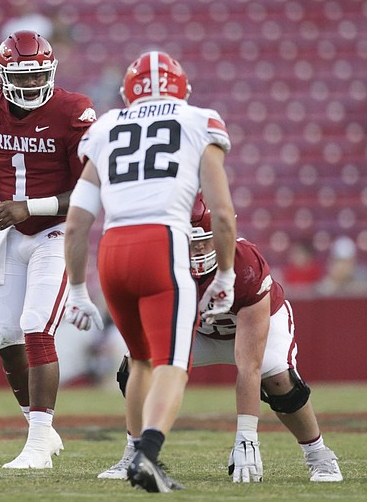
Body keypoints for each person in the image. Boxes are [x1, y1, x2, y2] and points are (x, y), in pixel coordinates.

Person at [62, 50, 237, 492]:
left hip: (113, 249)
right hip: (161, 242)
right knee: (172, 363)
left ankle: (133, 452)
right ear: (184, 90)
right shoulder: (199, 121)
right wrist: (226, 275)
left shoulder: (104, 127)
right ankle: (147, 456)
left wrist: (79, 291)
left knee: (139, 358)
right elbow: (222, 215)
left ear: (127, 92)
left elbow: (77, 223)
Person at [100, 195, 343, 483]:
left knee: (278, 379)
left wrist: (247, 436)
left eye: (205, 239)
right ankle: (135, 452)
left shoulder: (246, 264)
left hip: (256, 326)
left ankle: (319, 454)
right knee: (138, 364)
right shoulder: (159, 263)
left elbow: (249, 365)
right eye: (190, 241)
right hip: (200, 331)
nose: (198, 248)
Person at [0, 30, 96, 469]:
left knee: (37, 324)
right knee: (4, 336)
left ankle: (37, 443)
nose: (34, 84)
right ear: (2, 75)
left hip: (56, 233)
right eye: (25, 76)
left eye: (40, 75)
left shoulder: (73, 111)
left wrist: (27, 207)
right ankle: (43, 430)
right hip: (10, 236)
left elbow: (90, 191)